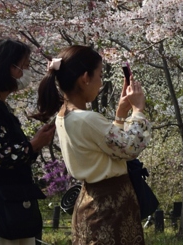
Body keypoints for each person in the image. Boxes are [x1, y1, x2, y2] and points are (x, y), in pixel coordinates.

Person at [34, 45, 150, 245]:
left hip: (91, 202)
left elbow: (111, 148)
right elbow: (130, 148)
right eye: (99, 75)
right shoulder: (86, 119)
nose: (100, 82)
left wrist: (121, 114)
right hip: (110, 207)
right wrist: (138, 110)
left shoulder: (64, 116)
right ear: (85, 78)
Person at [0, 39, 54, 245]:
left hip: (7, 198)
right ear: (8, 68)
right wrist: (34, 144)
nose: (27, 72)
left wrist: (35, 143)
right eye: (25, 66)